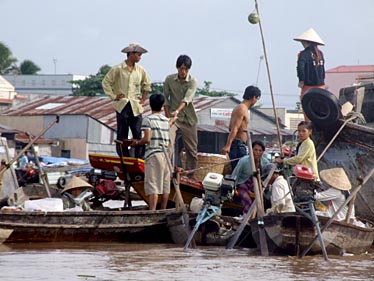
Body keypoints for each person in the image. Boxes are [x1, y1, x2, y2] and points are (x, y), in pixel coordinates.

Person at [102, 43, 151, 158]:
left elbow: (147, 84)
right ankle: (124, 157)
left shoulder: (140, 70)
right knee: (122, 134)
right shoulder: (118, 69)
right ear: (131, 54)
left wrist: (143, 99)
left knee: (138, 133)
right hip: (122, 104)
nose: (140, 57)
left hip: (136, 105)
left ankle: (139, 158)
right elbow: (106, 82)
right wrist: (114, 96)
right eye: (138, 54)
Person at [131, 93, 170, 210]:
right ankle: (163, 210)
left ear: (150, 105)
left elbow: (147, 138)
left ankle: (152, 212)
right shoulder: (166, 120)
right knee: (164, 186)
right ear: (162, 106)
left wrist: (136, 143)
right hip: (166, 155)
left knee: (153, 185)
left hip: (153, 154)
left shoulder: (148, 120)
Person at [163, 55, 198, 180]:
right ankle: (166, 172)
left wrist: (177, 111)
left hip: (188, 118)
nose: (183, 72)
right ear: (177, 67)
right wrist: (168, 116)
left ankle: (190, 175)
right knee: (168, 144)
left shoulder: (192, 81)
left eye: (186, 69)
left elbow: (187, 99)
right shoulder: (169, 79)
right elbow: (165, 99)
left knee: (192, 150)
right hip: (173, 118)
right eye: (181, 68)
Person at [221, 86, 261, 170]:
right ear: (254, 97)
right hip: (237, 146)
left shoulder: (242, 108)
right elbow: (234, 128)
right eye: (257, 98)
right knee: (240, 171)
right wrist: (228, 145)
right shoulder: (241, 108)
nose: (256, 101)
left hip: (240, 145)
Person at [294, 28, 326, 121]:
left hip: (308, 87)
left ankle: (310, 129)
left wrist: (301, 80)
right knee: (319, 112)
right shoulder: (320, 54)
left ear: (305, 42)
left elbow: (300, 68)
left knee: (308, 111)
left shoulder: (303, 54)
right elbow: (323, 70)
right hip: (321, 86)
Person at [231, 141, 269, 214]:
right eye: (255, 150)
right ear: (251, 150)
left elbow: (267, 176)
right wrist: (232, 188)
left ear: (262, 152)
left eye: (260, 150)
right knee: (247, 200)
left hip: (257, 184)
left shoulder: (265, 162)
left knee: (263, 199)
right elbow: (235, 174)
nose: (257, 152)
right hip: (243, 183)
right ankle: (247, 216)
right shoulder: (244, 161)